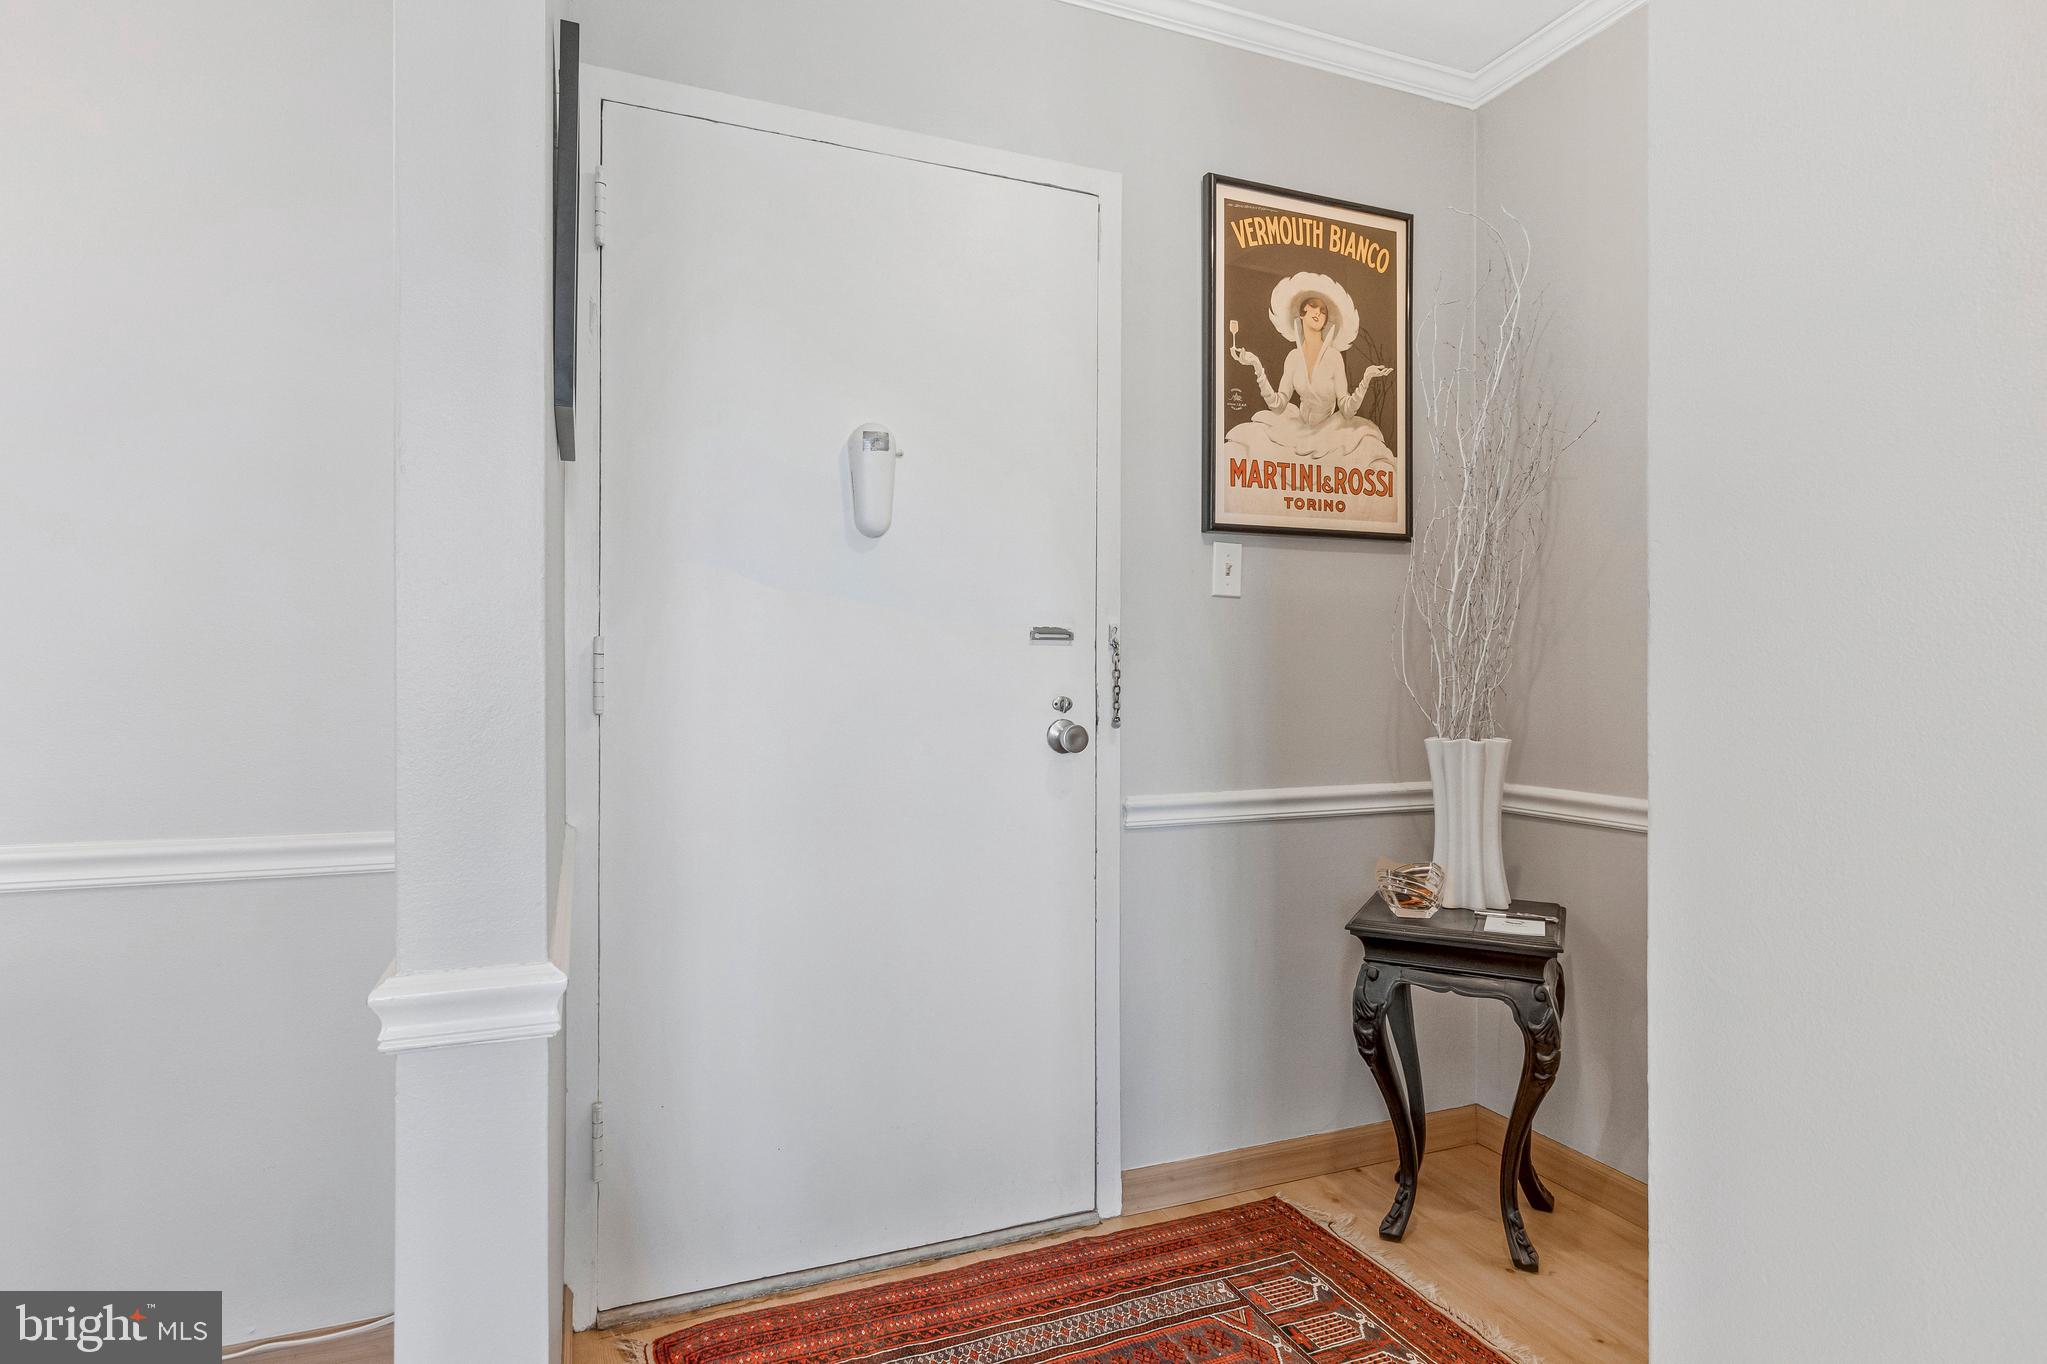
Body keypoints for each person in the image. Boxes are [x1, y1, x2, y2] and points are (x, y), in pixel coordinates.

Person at [1226, 272, 1393, 465]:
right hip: (1297, 430)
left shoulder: (1334, 357)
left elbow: (1347, 410)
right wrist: (1257, 366)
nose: (1318, 313)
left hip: (1329, 432)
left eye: (1323, 311)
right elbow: (1278, 405)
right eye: (1313, 306)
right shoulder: (1293, 357)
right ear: (1302, 312)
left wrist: (1366, 379)